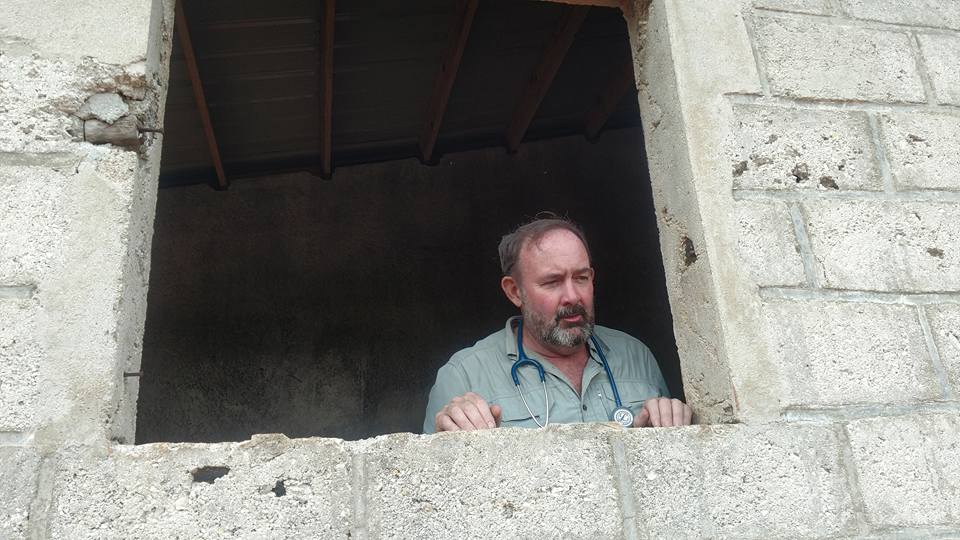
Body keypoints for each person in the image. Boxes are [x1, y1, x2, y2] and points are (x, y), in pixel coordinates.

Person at [423, 216, 692, 433]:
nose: (572, 296)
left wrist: (671, 420)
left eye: (581, 278)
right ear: (515, 292)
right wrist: (448, 437)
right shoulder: (464, 376)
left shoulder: (636, 356)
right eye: (552, 282)